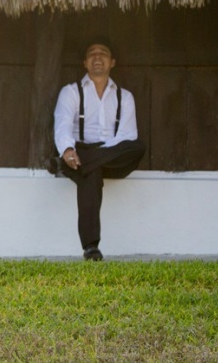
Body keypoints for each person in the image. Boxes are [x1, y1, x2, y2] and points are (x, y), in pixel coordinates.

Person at [47, 37, 145, 261]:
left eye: (103, 53)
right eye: (92, 53)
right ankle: (91, 247)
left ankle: (80, 162)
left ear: (113, 62)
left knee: (137, 146)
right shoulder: (71, 92)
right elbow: (62, 124)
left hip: (112, 158)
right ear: (84, 63)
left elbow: (128, 136)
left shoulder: (125, 97)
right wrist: (68, 150)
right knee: (91, 174)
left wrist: (94, 155)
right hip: (77, 154)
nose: (97, 57)